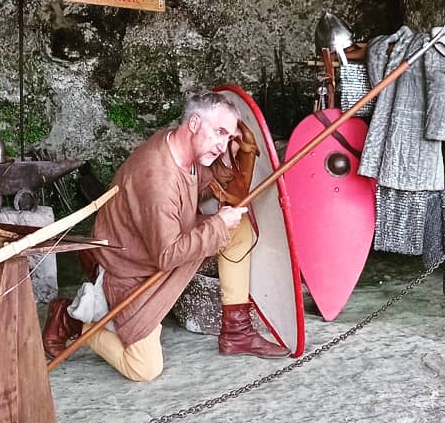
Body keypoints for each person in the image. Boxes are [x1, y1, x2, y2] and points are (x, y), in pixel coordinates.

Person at [42, 89, 288, 381]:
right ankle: (76, 320)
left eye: (228, 136)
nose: (222, 145)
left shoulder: (181, 147)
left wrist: (235, 158)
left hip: (160, 246)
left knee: (238, 229)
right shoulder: (158, 178)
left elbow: (205, 188)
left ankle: (236, 331)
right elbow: (167, 256)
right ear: (194, 124)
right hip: (129, 270)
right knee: (144, 368)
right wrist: (217, 226)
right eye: (219, 133)